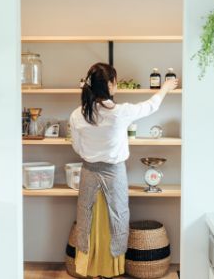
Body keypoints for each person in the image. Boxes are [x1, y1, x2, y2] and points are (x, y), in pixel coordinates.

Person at [69, 62, 178, 278]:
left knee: (88, 221)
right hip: (114, 174)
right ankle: (110, 270)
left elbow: (77, 147)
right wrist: (166, 87)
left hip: (88, 174)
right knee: (115, 220)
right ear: (110, 84)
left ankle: (89, 268)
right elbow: (151, 105)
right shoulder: (120, 112)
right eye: (115, 81)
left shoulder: (77, 114)